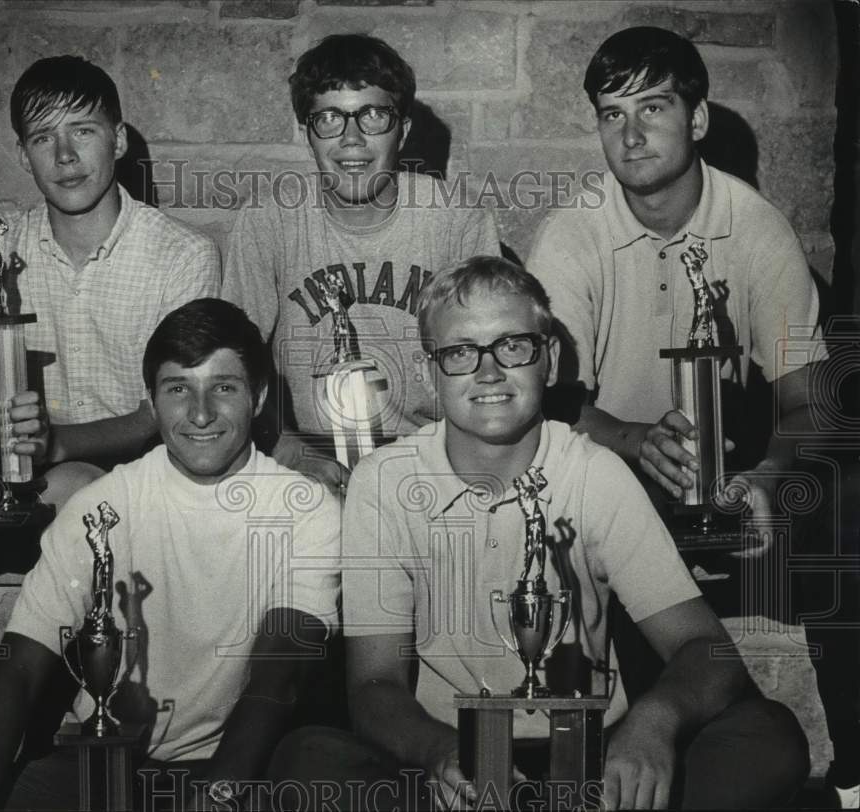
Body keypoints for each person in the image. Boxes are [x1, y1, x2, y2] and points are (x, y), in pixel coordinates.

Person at [268, 256, 809, 811]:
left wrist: (654, 725)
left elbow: (708, 649)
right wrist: (439, 753)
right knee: (307, 760)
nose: (488, 372)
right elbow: (372, 685)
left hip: (590, 766)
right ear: (432, 371)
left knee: (769, 739)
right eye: (460, 352)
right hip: (455, 767)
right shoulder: (385, 482)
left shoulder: (594, 471)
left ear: (548, 362)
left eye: (513, 346)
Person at [0, 54, 220, 809]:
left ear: (119, 139)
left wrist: (59, 443)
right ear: (22, 149)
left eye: (83, 131)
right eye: (42, 137)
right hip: (2, 475)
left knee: (81, 495)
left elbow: (177, 412)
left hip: (103, 479)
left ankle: (25, 748)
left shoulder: (182, 254)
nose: (64, 155)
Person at [527, 26, 860, 807]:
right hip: (614, 479)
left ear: (699, 118)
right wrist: (633, 443)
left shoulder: (756, 227)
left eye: (653, 107)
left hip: (731, 482)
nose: (631, 133)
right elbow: (543, 404)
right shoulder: (572, 233)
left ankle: (854, 780)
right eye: (611, 114)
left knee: (846, 507)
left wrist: (772, 478)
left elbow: (809, 400)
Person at [0, 298, 341, 811]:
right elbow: (18, 670)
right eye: (177, 389)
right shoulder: (103, 504)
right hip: (108, 763)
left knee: (322, 775)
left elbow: (281, 675)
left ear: (257, 398)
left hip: (234, 767)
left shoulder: (305, 510)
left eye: (224, 388)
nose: (200, 413)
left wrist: (217, 796)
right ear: (152, 401)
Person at [222, 33, 500, 488]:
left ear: (403, 130)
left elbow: (488, 371)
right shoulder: (269, 219)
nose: (352, 139)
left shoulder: (457, 220)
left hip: (432, 457)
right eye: (329, 118)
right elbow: (231, 359)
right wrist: (285, 445)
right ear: (305, 133)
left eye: (373, 116)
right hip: (311, 461)